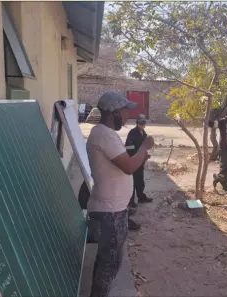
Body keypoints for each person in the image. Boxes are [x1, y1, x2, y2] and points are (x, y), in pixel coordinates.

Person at [86, 91, 154, 297]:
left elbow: (124, 162)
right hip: (110, 212)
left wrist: (138, 155)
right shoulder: (104, 134)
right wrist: (144, 148)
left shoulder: (104, 133)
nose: (128, 117)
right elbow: (129, 167)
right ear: (113, 112)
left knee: (107, 261)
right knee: (109, 265)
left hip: (113, 209)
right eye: (125, 112)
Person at [125, 114, 153, 208]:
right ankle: (131, 201)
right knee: (132, 182)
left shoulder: (143, 132)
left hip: (140, 161)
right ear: (137, 123)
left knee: (140, 181)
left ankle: (141, 197)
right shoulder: (132, 133)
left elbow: (144, 146)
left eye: (144, 122)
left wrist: (145, 155)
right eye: (141, 122)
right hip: (133, 160)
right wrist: (136, 155)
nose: (143, 124)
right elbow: (128, 147)